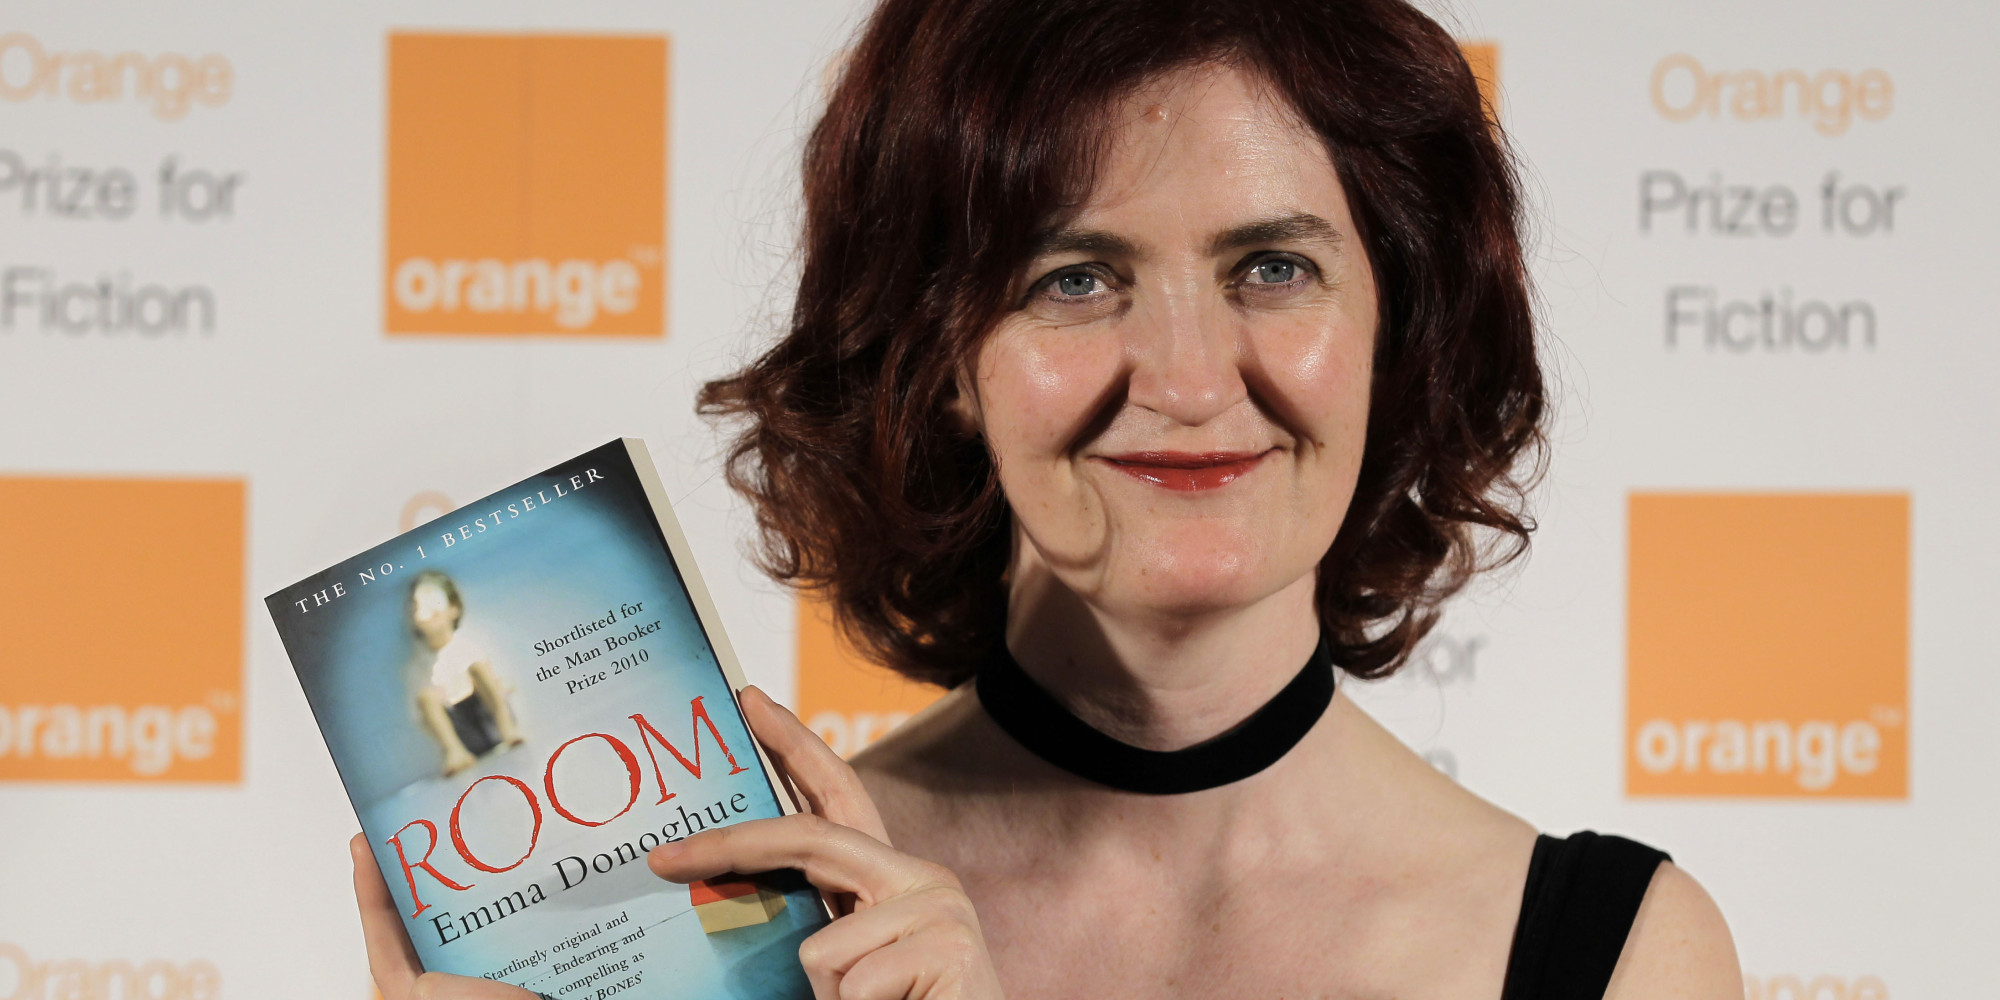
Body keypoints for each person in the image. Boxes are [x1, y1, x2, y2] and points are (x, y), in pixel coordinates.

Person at [353, 0, 1740, 996]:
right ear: (939, 357)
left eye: (1272, 267)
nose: (1190, 379)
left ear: (1401, 327)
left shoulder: (1620, 954)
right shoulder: (730, 912)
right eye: (1074, 278)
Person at [408, 570, 524, 777]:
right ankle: (455, 752)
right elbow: (424, 712)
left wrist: (498, 687)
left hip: (490, 716)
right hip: (462, 732)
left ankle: (507, 728)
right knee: (426, 696)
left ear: (453, 609)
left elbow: (501, 682)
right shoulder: (417, 664)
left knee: (477, 667)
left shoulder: (469, 643)